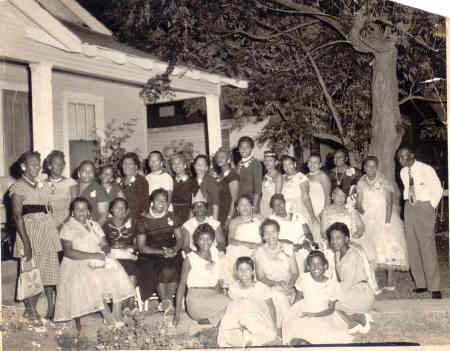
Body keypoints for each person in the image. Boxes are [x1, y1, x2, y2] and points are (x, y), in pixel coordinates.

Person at [54, 197, 135, 330]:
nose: (81, 212)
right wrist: (94, 256)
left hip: (97, 258)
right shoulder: (68, 227)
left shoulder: (94, 225)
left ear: (89, 211)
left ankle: (117, 314)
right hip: (77, 262)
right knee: (92, 278)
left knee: (116, 269)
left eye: (84, 209)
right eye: (78, 209)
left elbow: (104, 244)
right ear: (72, 212)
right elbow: (68, 252)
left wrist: (106, 254)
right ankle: (108, 317)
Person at [11, 151, 62, 323]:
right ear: (23, 167)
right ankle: (31, 312)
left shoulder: (43, 185)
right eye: (33, 164)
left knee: (49, 273)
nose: (37, 167)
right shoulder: (17, 186)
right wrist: (26, 243)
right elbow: (17, 216)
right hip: (30, 233)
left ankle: (49, 312)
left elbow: (48, 208)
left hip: (46, 232)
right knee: (30, 274)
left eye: (38, 164)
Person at [356, 156, 409, 289]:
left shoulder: (384, 181)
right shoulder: (361, 182)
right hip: (368, 217)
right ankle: (372, 277)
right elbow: (359, 201)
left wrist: (387, 221)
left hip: (384, 216)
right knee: (370, 246)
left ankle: (391, 278)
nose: (370, 169)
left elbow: (389, 202)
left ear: (377, 167)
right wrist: (361, 212)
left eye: (373, 166)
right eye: (368, 166)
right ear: (364, 167)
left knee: (387, 245)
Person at [398, 147, 443, 299]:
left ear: (412, 155)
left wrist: (430, 206)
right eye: (399, 158)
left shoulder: (426, 169)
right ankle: (421, 284)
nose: (401, 160)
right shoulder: (403, 172)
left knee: (427, 245)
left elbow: (437, 189)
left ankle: (434, 286)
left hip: (424, 206)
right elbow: (407, 190)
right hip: (409, 207)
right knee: (412, 246)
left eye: (404, 156)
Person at [282, 251, 353, 345]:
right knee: (296, 330)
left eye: (319, 264)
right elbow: (298, 298)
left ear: (325, 266)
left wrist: (314, 315)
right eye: (312, 264)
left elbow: (331, 309)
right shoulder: (304, 278)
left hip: (323, 313)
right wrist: (292, 313)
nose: (316, 267)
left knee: (325, 335)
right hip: (304, 310)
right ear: (308, 267)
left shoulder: (332, 284)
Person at [136, 188, 183, 312]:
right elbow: (141, 247)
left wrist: (175, 249)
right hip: (151, 251)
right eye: (158, 200)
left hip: (170, 247)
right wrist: (161, 252)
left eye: (164, 200)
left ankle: (166, 302)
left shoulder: (172, 216)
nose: (161, 203)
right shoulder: (143, 220)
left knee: (173, 267)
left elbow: (179, 238)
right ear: (152, 201)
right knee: (159, 269)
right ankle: (166, 301)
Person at [174, 223, 229, 327]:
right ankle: (216, 320)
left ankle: (212, 320)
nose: (205, 242)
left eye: (209, 239)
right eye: (201, 239)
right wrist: (177, 314)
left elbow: (218, 278)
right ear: (196, 241)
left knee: (236, 305)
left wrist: (222, 293)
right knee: (232, 304)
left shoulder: (215, 253)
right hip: (196, 300)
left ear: (213, 240)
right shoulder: (190, 259)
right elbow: (181, 286)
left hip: (213, 296)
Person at [327, 222, 376, 333]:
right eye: (332, 238)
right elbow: (340, 280)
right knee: (328, 302)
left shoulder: (352, 255)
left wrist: (332, 297)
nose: (334, 241)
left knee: (327, 305)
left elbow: (346, 284)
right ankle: (360, 316)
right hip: (352, 292)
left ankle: (353, 322)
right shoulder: (337, 254)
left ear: (347, 239)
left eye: (338, 238)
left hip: (361, 294)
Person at [218, 256, 279, 347]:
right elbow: (232, 309)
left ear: (253, 271)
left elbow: (271, 307)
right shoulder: (233, 287)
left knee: (248, 305)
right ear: (236, 272)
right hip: (239, 320)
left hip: (256, 317)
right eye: (240, 269)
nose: (243, 273)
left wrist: (274, 326)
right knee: (235, 305)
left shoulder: (261, 287)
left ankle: (250, 337)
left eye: (247, 269)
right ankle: (242, 335)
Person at [253, 219, 299, 328]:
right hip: (269, 286)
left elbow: (295, 272)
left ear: (278, 233)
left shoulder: (287, 248)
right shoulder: (259, 252)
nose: (270, 235)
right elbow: (261, 277)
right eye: (267, 233)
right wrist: (275, 283)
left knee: (279, 297)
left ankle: (282, 326)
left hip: (288, 287)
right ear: (263, 236)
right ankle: (291, 324)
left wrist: (290, 285)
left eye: (273, 231)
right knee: (276, 293)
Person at [269, 194, 315, 293]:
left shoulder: (298, 215)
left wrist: (306, 241)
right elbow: (272, 238)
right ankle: (300, 290)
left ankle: (311, 287)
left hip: (303, 245)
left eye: (280, 203)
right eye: (275, 205)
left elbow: (308, 233)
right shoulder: (272, 220)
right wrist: (290, 244)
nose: (279, 207)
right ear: (272, 208)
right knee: (297, 259)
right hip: (286, 249)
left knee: (312, 256)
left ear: (284, 203)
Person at [321, 187, 377, 265]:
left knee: (358, 252)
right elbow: (323, 232)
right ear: (332, 196)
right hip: (333, 241)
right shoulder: (326, 211)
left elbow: (361, 226)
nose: (341, 198)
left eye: (343, 196)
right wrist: (333, 241)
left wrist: (358, 234)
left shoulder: (350, 209)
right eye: (338, 195)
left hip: (350, 239)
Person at [225, 194, 264, 285]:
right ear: (237, 208)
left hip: (258, 246)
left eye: (247, 204)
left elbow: (266, 234)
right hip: (240, 248)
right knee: (234, 251)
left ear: (252, 206)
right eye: (241, 205)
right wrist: (248, 245)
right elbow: (230, 240)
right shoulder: (234, 222)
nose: (245, 207)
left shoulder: (260, 218)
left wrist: (260, 245)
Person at [102, 198, 139, 283]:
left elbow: (138, 245)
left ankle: (132, 295)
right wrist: (111, 248)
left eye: (123, 207)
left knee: (131, 269)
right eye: (117, 207)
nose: (120, 210)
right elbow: (102, 245)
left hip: (129, 256)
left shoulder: (134, 224)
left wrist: (127, 247)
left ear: (127, 210)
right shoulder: (106, 225)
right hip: (111, 256)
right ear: (111, 209)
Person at [43, 150, 76, 230]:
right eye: (56, 163)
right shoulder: (41, 184)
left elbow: (75, 207)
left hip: (67, 223)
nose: (60, 166)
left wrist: (63, 225)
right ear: (49, 166)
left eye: (62, 164)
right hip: (46, 224)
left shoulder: (70, 183)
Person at [281, 155, 317, 226]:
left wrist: (312, 216)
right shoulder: (282, 177)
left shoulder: (301, 178)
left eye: (289, 164)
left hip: (297, 209)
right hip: (284, 210)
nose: (287, 167)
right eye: (285, 165)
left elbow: (306, 197)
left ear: (294, 164)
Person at [71, 160, 109, 226]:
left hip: (92, 227)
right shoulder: (73, 186)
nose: (87, 173)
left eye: (90, 171)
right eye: (84, 171)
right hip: (75, 226)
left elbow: (104, 215)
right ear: (79, 173)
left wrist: (95, 231)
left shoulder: (99, 189)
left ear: (94, 174)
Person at [118, 152, 149, 220]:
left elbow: (142, 205)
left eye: (130, 164)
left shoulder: (140, 181)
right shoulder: (120, 181)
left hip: (136, 219)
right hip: (120, 218)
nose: (127, 166)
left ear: (136, 166)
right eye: (125, 163)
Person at [214, 147, 240, 230]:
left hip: (228, 213)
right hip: (219, 212)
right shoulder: (220, 175)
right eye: (218, 157)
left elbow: (234, 200)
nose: (219, 159)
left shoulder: (232, 176)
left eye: (222, 157)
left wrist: (229, 218)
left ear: (228, 160)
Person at [236, 136, 263, 212]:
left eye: (247, 147)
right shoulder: (239, 164)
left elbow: (258, 188)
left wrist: (254, 206)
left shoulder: (256, 163)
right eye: (241, 147)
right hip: (240, 202)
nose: (244, 149)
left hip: (251, 202)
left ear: (251, 149)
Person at [170, 153, 198, 224]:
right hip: (173, 214)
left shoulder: (192, 181)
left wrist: (190, 220)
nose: (176, 166)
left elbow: (195, 202)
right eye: (173, 163)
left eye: (179, 163)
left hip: (187, 215)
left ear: (185, 165)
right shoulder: (170, 180)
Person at [193, 155, 220, 220]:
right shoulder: (192, 181)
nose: (199, 166)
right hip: (196, 217)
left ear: (206, 168)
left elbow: (215, 203)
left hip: (209, 217)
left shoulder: (211, 180)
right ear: (194, 166)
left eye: (202, 165)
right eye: (197, 164)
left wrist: (214, 222)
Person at [260, 151, 283, 218]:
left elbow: (277, 196)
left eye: (270, 160)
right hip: (264, 204)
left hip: (272, 206)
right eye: (266, 160)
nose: (267, 163)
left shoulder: (278, 176)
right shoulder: (265, 175)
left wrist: (274, 211)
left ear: (276, 162)